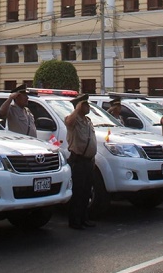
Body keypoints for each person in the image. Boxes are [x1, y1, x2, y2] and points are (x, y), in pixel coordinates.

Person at [64, 93, 96, 230]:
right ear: (79, 106)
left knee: (86, 192)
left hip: (88, 161)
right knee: (77, 192)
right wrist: (76, 109)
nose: (88, 107)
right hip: (78, 161)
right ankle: (75, 221)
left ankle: (84, 218)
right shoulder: (72, 120)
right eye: (85, 104)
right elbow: (69, 122)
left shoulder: (88, 120)